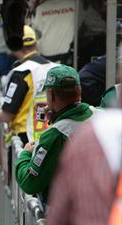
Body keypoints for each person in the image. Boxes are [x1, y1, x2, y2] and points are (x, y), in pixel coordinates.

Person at [14, 65, 93, 203]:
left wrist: (25, 154)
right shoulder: (100, 115)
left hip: (71, 210)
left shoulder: (55, 135)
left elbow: (29, 183)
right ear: (79, 92)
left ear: (50, 95)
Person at [0, 26, 55, 145]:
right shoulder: (53, 67)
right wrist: (0, 109)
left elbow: (6, 116)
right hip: (50, 136)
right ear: (35, 43)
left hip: (27, 140)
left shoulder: (22, 72)